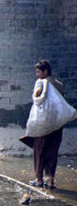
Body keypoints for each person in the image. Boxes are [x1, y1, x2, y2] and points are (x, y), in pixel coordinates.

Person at [24, 60, 65, 189]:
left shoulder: (41, 83)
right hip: (57, 124)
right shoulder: (58, 84)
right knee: (52, 151)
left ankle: (39, 180)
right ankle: (51, 180)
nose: (37, 74)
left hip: (43, 124)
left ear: (45, 71)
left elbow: (38, 101)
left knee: (39, 151)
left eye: (38, 71)